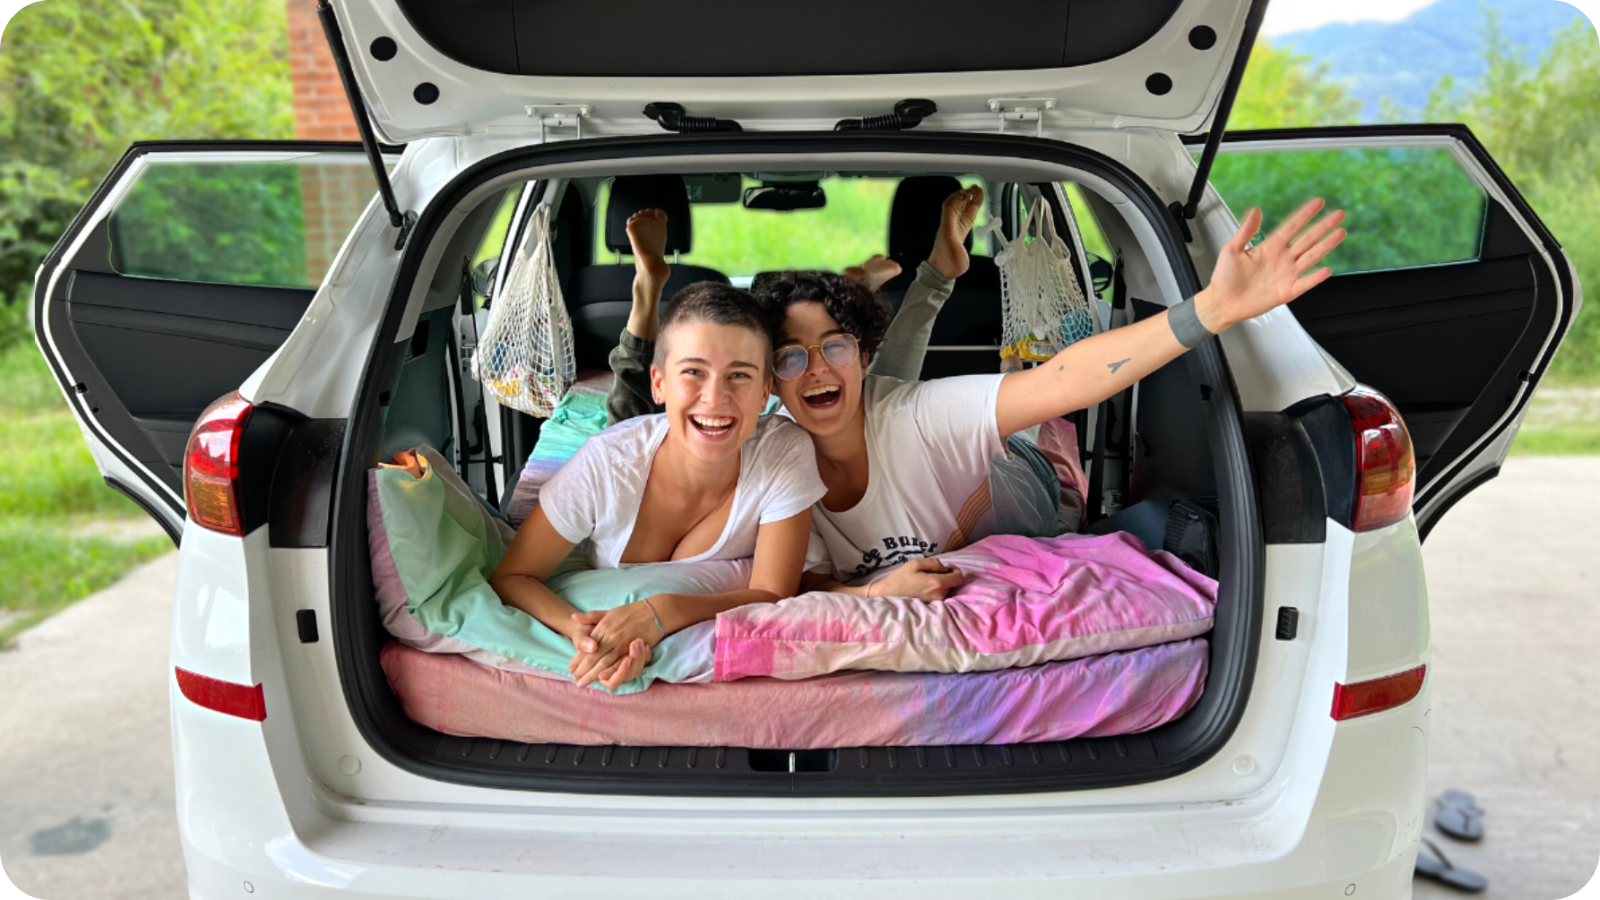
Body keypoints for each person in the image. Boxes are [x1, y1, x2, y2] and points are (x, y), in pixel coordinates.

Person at [760, 188, 1345, 601]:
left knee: (896, 406)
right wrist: (879, 591)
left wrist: (1210, 310)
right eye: (790, 356)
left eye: (834, 346)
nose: (813, 370)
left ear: (862, 351)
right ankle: (927, 276)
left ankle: (922, 280)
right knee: (883, 400)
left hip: (1017, 490)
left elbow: (1063, 380)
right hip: (895, 425)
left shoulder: (919, 416)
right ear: (768, 378)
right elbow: (797, 581)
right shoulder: (772, 456)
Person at [489, 236, 825, 690]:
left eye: (740, 375)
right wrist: (584, 635)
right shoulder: (606, 464)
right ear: (660, 382)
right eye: (693, 372)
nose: (716, 396)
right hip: (636, 441)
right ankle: (646, 290)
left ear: (767, 391)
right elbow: (514, 576)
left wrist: (663, 611)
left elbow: (772, 593)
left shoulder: (784, 451)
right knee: (621, 416)